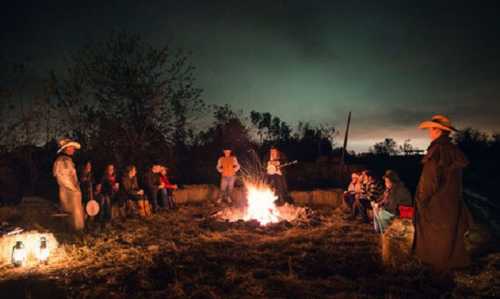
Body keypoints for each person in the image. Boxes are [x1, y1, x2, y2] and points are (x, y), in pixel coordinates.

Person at [412, 115, 473, 272]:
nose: (429, 133)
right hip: (451, 203)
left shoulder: (437, 151)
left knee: (434, 240)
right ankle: (447, 268)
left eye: (431, 129)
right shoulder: (453, 151)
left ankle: (437, 274)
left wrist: (421, 201)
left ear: (438, 130)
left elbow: (429, 181)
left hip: (437, 205)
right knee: (449, 236)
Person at [52, 139, 85, 231]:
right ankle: (73, 230)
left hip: (72, 190)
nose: (73, 149)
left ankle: (78, 229)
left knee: (75, 211)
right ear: (66, 149)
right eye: (72, 147)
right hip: (68, 191)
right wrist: (74, 189)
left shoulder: (68, 160)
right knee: (71, 211)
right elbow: (62, 177)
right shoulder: (61, 161)